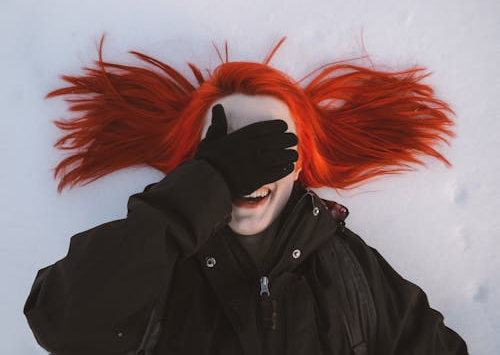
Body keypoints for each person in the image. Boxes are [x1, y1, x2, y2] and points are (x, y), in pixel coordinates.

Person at [23, 35, 469, 354]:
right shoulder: (155, 264)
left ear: (301, 165)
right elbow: (62, 322)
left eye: (270, 148)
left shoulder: (351, 273)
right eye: (226, 148)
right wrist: (206, 184)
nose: (247, 171)